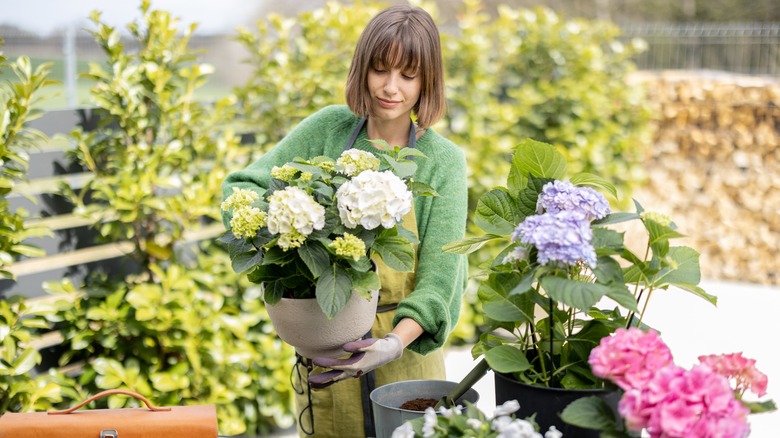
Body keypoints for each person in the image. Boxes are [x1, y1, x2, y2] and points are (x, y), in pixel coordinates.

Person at [221, 4, 468, 437]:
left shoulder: (441, 161)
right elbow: (242, 186)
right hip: (326, 358)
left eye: (408, 75)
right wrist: (283, 223)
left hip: (405, 364)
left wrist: (390, 345)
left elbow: (440, 279)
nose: (391, 88)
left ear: (428, 80)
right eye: (379, 70)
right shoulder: (330, 130)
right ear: (362, 70)